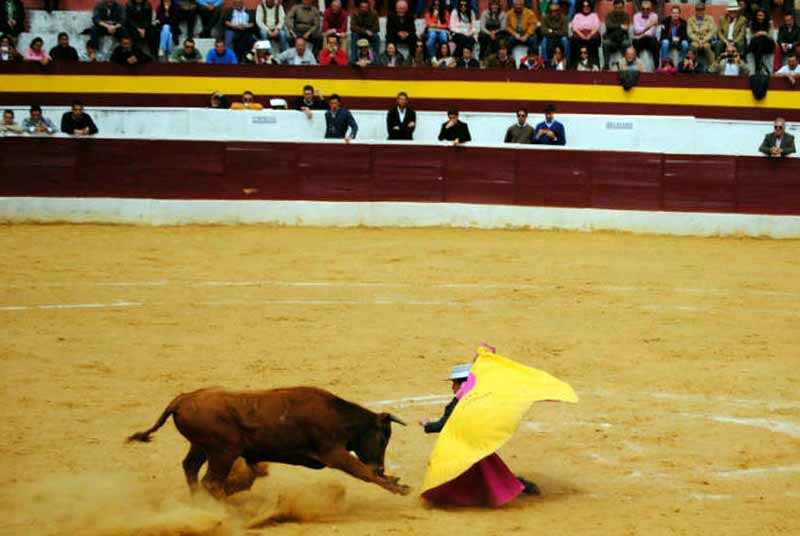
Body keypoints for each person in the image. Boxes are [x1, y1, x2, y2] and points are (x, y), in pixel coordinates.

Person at [420, 359, 540, 504]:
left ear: (462, 384)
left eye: (454, 383)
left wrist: (427, 425)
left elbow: (443, 424)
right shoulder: (480, 397)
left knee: (453, 472)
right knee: (488, 473)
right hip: (476, 443)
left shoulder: (460, 401)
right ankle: (517, 486)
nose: (452, 387)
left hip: (463, 445)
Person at [570, 0, 600, 67]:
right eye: (584, 6)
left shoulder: (594, 15)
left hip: (591, 34)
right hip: (579, 35)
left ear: (590, 7)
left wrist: (590, 35)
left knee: (594, 40)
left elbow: (597, 26)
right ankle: (574, 64)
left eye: (587, 6)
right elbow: (574, 27)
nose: (586, 7)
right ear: (581, 7)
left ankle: (594, 64)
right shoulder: (577, 15)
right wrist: (581, 35)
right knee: (573, 41)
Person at [602, 0, 631, 70]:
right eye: (616, 8)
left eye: (620, 8)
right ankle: (606, 65)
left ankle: (626, 64)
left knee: (626, 43)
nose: (618, 10)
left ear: (623, 7)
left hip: (622, 39)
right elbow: (609, 25)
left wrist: (615, 27)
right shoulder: (609, 15)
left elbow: (626, 28)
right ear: (614, 7)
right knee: (606, 43)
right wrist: (620, 26)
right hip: (612, 39)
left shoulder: (626, 16)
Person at [688, 2, 716, 68]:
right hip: (695, 40)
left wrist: (703, 41)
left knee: (706, 47)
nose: (700, 12)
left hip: (706, 40)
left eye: (701, 10)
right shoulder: (690, 20)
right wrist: (698, 40)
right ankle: (693, 66)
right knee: (694, 46)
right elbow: (689, 33)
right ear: (695, 11)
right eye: (698, 10)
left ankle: (712, 66)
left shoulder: (710, 19)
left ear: (704, 10)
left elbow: (711, 32)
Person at [632, 0, 660, 68]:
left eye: (648, 9)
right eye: (643, 9)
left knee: (655, 42)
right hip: (640, 41)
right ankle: (636, 66)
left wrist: (641, 33)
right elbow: (636, 30)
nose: (645, 10)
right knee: (635, 42)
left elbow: (651, 32)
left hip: (650, 40)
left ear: (651, 9)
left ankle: (657, 67)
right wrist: (649, 26)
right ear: (641, 8)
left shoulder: (655, 16)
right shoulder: (636, 16)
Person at [541, 1, 568, 65]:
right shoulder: (545, 17)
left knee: (565, 40)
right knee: (544, 42)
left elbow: (565, 32)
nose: (554, 13)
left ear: (558, 11)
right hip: (549, 36)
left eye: (556, 11)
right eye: (552, 11)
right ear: (549, 11)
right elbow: (543, 31)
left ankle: (566, 60)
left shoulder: (564, 18)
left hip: (560, 37)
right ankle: (546, 62)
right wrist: (556, 31)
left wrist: (552, 31)